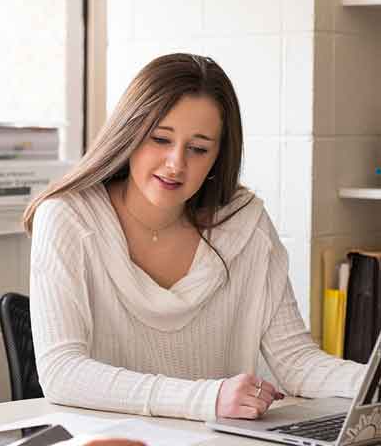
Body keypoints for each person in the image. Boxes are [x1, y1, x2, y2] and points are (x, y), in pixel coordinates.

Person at [23, 53, 365, 422]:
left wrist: (370, 380)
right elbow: (62, 372)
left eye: (198, 148)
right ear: (130, 133)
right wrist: (207, 398)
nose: (176, 163)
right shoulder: (67, 217)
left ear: (218, 156)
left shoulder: (244, 222)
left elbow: (297, 362)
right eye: (160, 139)